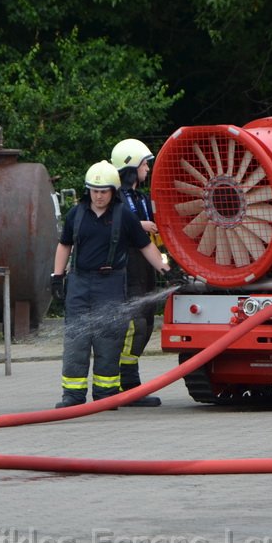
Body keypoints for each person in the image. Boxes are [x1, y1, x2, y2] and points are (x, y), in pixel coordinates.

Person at [51, 160, 170, 408]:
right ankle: (72, 396)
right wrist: (57, 276)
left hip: (111, 283)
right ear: (88, 191)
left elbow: (145, 246)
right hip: (80, 283)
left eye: (104, 191)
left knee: (109, 340)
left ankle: (106, 395)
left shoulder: (123, 215)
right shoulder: (77, 214)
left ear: (113, 191)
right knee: (76, 339)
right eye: (94, 191)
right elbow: (64, 245)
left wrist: (165, 269)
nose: (99, 196)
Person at [111, 138, 163, 406]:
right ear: (131, 167)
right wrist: (139, 225)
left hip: (146, 267)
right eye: (145, 164)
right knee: (134, 325)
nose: (148, 169)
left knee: (147, 322)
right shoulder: (114, 199)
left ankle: (130, 383)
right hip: (126, 269)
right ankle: (125, 384)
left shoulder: (141, 198)